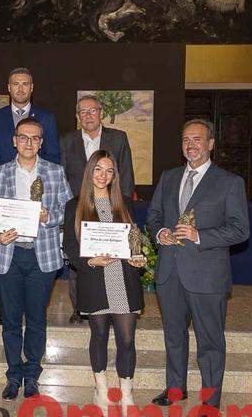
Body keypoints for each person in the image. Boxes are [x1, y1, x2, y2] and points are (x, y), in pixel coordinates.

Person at [147, 119, 249, 410]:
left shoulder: (229, 182)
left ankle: (210, 401)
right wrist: (160, 232)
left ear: (211, 144)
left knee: (210, 342)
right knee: (174, 337)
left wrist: (199, 235)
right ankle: (176, 389)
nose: (190, 145)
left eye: (197, 139)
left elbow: (240, 229)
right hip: (169, 272)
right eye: (185, 140)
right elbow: (153, 215)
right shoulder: (168, 177)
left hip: (207, 276)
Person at [0, 117, 72, 401]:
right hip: (8, 256)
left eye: (35, 138)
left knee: (36, 320)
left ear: (41, 142)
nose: (29, 143)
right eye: (23, 137)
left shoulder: (55, 172)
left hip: (40, 256)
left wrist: (49, 217)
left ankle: (32, 374)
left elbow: (65, 211)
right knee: (10, 320)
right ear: (14, 140)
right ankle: (13, 374)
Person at [62, 150, 145, 412]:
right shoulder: (74, 205)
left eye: (109, 171)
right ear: (90, 172)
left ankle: (127, 394)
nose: (103, 175)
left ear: (114, 176)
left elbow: (134, 242)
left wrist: (137, 258)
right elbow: (70, 247)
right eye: (98, 169)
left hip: (123, 278)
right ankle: (101, 389)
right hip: (95, 279)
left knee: (127, 340)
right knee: (98, 335)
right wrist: (89, 262)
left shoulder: (125, 204)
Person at [0, 67, 60, 325]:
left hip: (37, 195)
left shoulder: (46, 117)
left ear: (32, 87)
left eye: (26, 84)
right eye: (16, 84)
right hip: (6, 194)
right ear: (9, 86)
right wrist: (3, 182)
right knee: (8, 262)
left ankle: (29, 309)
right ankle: (6, 310)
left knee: (35, 272)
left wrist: (35, 177)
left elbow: (54, 155)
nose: (21, 89)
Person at [59, 94, 135, 324]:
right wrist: (68, 211)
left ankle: (114, 303)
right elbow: (62, 178)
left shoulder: (119, 138)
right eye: (83, 112)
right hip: (79, 209)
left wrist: (123, 209)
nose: (88, 115)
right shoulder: (66, 140)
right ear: (77, 116)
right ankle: (79, 306)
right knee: (80, 259)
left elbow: (126, 176)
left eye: (92, 111)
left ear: (101, 112)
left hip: (111, 207)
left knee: (113, 257)